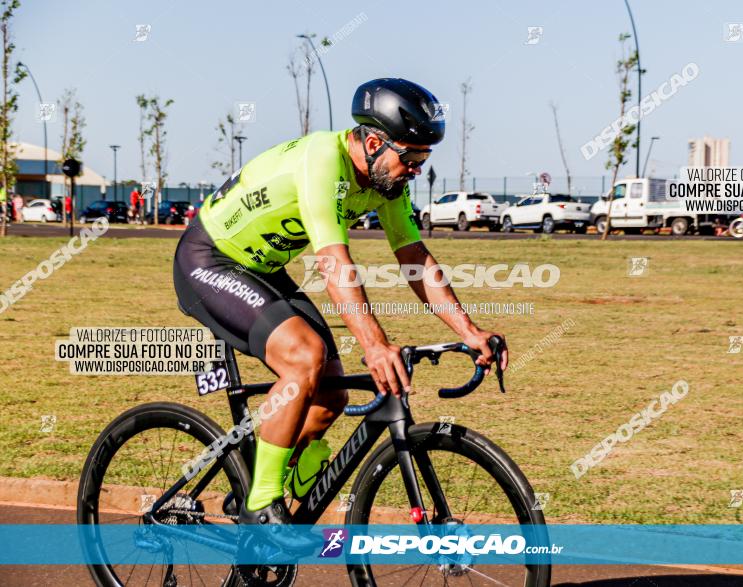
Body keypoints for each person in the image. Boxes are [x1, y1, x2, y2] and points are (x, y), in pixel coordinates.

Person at [173, 78, 507, 545]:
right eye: (409, 158)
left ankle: (260, 477)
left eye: (423, 161)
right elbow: (334, 263)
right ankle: (260, 505)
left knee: (331, 397)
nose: (415, 170)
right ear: (374, 142)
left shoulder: (385, 183)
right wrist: (373, 345)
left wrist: (469, 330)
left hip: (262, 269)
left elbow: (413, 257)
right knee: (304, 357)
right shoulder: (321, 162)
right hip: (208, 260)